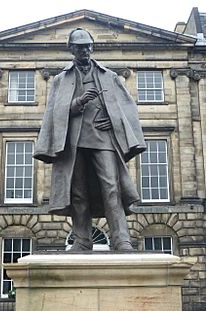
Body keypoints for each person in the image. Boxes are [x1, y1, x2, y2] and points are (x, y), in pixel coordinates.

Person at [34, 28, 146, 251]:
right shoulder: (60, 80)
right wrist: (78, 102)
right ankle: (82, 240)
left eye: (87, 46)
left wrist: (112, 122)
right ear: (71, 49)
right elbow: (54, 112)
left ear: (92, 48)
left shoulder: (109, 76)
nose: (84, 50)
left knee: (111, 186)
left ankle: (121, 238)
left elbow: (127, 109)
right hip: (73, 142)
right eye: (79, 46)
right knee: (78, 191)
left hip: (102, 139)